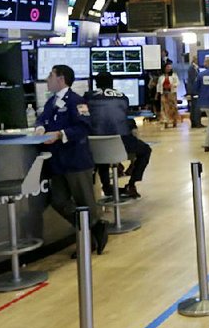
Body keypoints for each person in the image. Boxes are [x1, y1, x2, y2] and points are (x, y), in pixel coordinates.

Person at [33, 65, 108, 256]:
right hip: (57, 162)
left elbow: (84, 127)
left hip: (75, 160)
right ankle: (95, 226)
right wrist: (40, 129)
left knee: (85, 202)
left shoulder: (77, 101)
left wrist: (60, 134)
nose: (47, 79)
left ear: (61, 79)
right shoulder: (51, 102)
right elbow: (42, 119)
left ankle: (88, 241)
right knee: (59, 201)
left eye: (51, 75)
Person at [85, 72, 152, 198]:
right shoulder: (122, 97)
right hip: (121, 143)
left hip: (96, 145)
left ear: (96, 84)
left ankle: (106, 186)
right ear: (112, 84)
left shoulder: (88, 96)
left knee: (101, 151)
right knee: (146, 150)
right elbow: (125, 117)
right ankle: (131, 184)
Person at [156, 62, 180, 128]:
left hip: (171, 94)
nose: (169, 69)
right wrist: (157, 93)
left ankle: (174, 121)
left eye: (170, 67)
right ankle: (165, 121)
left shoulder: (174, 75)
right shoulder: (161, 77)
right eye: (167, 67)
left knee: (173, 108)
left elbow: (177, 83)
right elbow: (158, 85)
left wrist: (172, 85)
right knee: (164, 108)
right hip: (164, 94)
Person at [186, 56, 203, 128]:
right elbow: (194, 80)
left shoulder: (195, 68)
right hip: (194, 90)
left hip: (194, 90)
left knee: (194, 107)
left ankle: (195, 122)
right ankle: (196, 122)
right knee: (196, 107)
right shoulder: (192, 69)